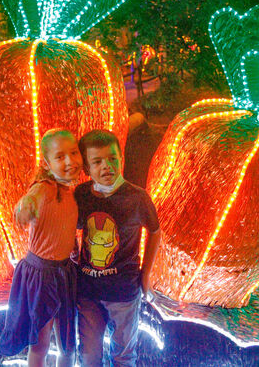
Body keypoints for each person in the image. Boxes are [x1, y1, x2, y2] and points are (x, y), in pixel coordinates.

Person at [75, 129, 160, 367]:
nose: (106, 166)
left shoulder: (137, 198)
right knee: (89, 356)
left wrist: (146, 274)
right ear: (87, 169)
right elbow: (69, 224)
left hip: (124, 292)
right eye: (97, 161)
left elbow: (154, 230)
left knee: (123, 355)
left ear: (121, 159)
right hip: (88, 290)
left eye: (112, 158)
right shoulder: (81, 195)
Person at [0, 129, 83, 367]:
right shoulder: (44, 188)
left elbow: (65, 227)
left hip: (64, 273)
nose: (69, 161)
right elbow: (28, 203)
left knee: (67, 342)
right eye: (59, 157)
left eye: (73, 153)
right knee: (40, 342)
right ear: (47, 164)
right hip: (41, 275)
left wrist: (74, 250)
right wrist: (24, 208)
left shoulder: (71, 194)